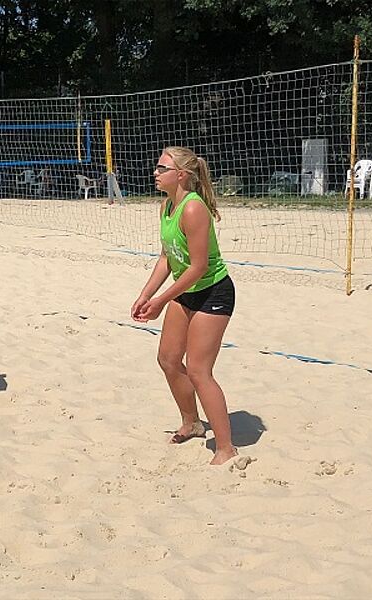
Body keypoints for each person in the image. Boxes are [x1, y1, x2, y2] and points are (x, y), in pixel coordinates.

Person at [131, 146, 236, 465]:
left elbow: (198, 267)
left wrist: (161, 300)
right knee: (167, 359)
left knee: (199, 370)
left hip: (213, 292)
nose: (155, 173)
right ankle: (192, 423)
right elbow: (167, 257)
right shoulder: (167, 206)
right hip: (186, 290)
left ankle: (226, 448)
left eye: (162, 168)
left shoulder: (193, 208)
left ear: (181, 175)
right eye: (157, 167)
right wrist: (146, 294)